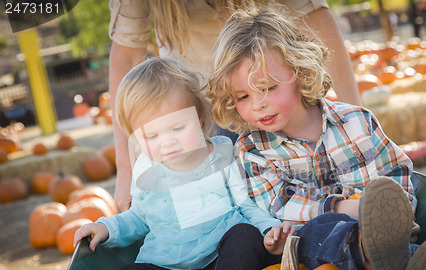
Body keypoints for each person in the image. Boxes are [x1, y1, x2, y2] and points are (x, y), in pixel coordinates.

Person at [208, 6, 426, 270]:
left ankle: (406, 269)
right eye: (243, 97)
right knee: (319, 229)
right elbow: (279, 208)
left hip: (387, 238)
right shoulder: (252, 152)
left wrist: (395, 209)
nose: (258, 104)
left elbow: (397, 175)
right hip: (316, 255)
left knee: (417, 245)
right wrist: (347, 209)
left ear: (300, 73)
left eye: (268, 88)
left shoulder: (357, 122)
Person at [73, 57, 294, 270]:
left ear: (199, 116)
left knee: (245, 235)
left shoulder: (222, 153)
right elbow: (140, 217)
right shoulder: (146, 171)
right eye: (151, 136)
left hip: (223, 268)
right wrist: (106, 227)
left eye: (178, 128)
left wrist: (270, 228)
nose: (167, 142)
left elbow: (244, 205)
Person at [108, 0, 362, 212]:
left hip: (269, 69)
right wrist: (126, 172)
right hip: (202, 107)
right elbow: (127, 55)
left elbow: (314, 16)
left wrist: (352, 120)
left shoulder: (354, 123)